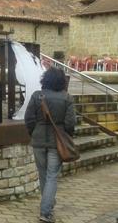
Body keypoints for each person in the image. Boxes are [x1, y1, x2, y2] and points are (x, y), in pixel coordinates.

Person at [24, 67, 75, 223]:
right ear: (61, 81)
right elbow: (70, 123)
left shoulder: (37, 96)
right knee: (52, 176)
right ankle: (46, 212)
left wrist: (34, 133)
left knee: (43, 174)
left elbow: (29, 119)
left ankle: (48, 204)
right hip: (56, 142)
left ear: (44, 79)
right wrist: (66, 136)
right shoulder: (67, 98)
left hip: (38, 140)